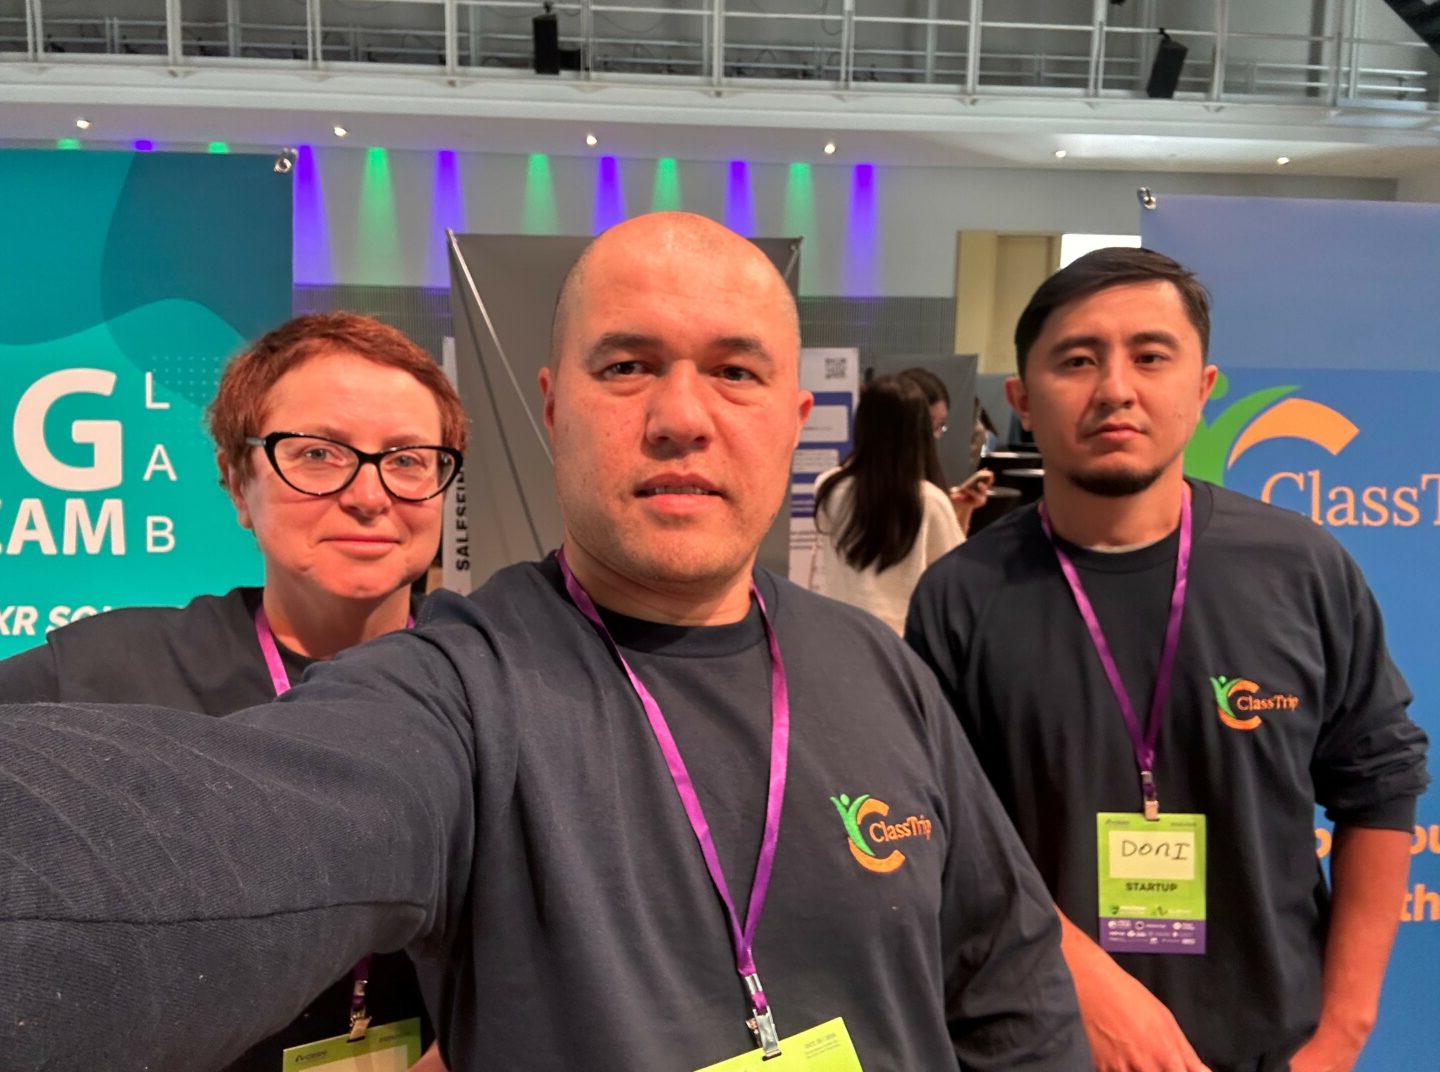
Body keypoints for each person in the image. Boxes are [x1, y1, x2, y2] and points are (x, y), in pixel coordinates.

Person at [0, 213, 1090, 1071]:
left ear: (794, 418)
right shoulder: (455, 685)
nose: (681, 416)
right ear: (553, 409)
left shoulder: (880, 670)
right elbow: (220, 835)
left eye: (735, 371)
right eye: (626, 367)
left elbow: (1008, 976)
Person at [905, 247, 1430, 1072]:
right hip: (1042, 1044)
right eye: (1077, 360)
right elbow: (951, 840)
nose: (1116, 388)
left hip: (1272, 1045)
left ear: (1202, 387)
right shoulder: (961, 597)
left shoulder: (1300, 569)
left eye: (1151, 356)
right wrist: (1084, 985)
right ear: (1022, 400)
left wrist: (1340, 1036)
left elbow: (1382, 786)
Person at [0, 311, 467, 1072]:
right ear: (236, 482)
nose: (368, 494)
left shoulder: (496, 685)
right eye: (317, 454)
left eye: (408, 459)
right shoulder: (97, 675)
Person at [811, 374, 963, 634]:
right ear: (919, 431)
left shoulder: (827, 487)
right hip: (903, 643)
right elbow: (954, 577)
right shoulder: (929, 501)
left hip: (839, 633)